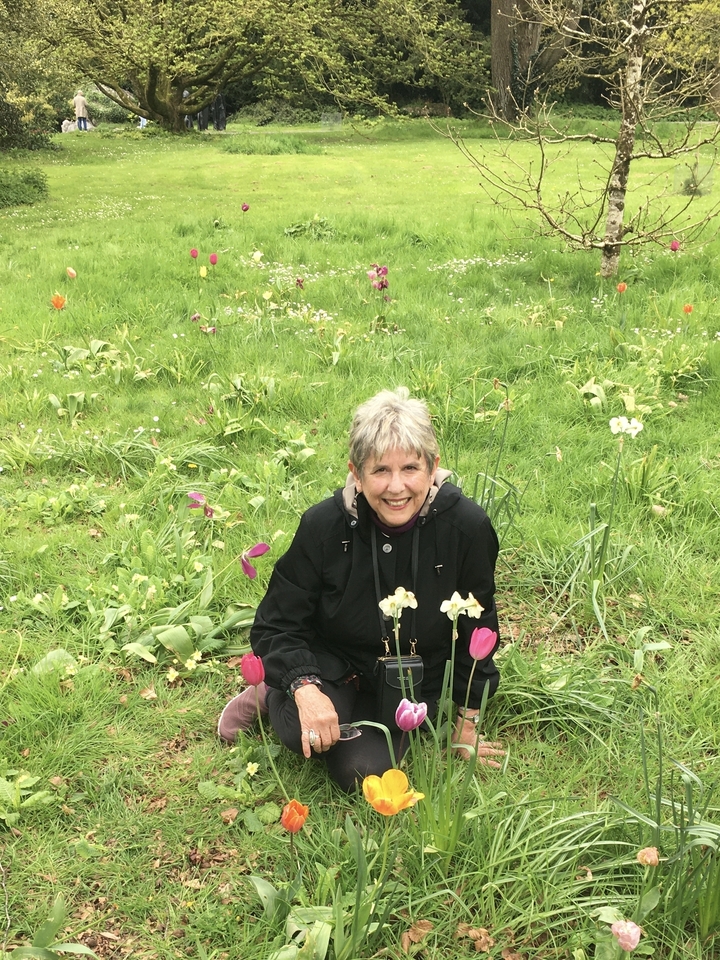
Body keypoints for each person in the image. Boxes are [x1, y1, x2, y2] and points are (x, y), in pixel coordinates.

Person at [218, 388, 505, 791]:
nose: (396, 487)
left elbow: (481, 628)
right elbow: (276, 623)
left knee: (362, 773)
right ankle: (273, 691)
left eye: (410, 468)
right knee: (304, 732)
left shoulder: (467, 528)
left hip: (415, 678)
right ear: (356, 472)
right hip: (333, 665)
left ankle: (345, 719)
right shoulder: (323, 527)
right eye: (380, 470)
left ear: (433, 466)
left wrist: (467, 720)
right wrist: (304, 686)